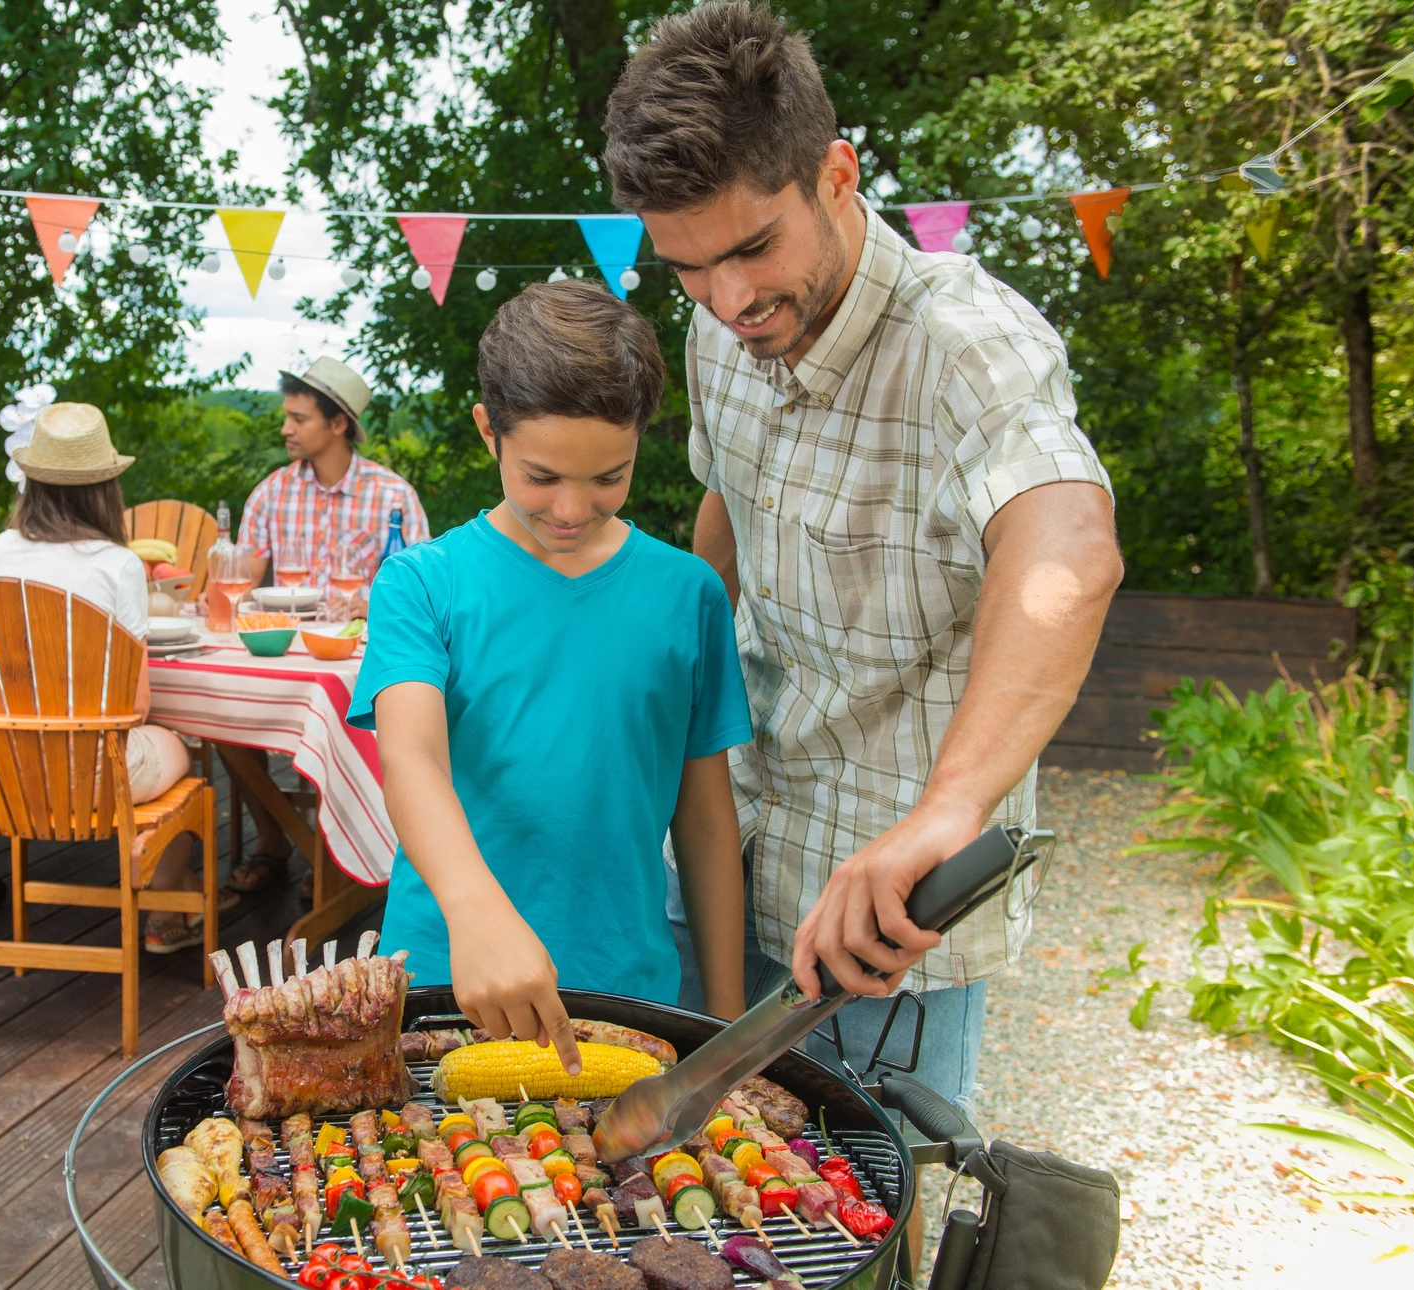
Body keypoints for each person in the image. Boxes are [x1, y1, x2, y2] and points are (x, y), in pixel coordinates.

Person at [602, 1, 1123, 1115]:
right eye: (689, 268)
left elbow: (1069, 548)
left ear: (835, 174)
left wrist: (947, 812)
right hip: (726, 841)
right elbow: (725, 507)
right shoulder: (717, 330)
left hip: (885, 909)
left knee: (861, 1217)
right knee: (682, 1185)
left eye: (752, 247)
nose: (730, 299)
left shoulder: (966, 343)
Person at [348, 281, 754, 1070]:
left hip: (627, 993)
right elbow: (412, 757)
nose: (572, 507)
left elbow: (704, 819)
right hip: (441, 980)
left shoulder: (688, 594)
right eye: (541, 477)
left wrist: (728, 1027)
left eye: (609, 477)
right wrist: (476, 911)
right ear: (487, 433)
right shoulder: (423, 582)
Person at [0, 402, 219, 953]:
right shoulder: (116, 564)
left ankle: (171, 895)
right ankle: (166, 910)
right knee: (192, 754)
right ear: (106, 488)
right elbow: (134, 706)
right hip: (94, 775)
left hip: (1, 766)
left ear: (30, 483)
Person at [231, 357, 430, 896]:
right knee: (230, 724)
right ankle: (274, 845)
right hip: (282, 655)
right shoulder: (272, 491)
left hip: (356, 663)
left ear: (338, 423)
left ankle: (335, 859)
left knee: (345, 717)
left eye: (298, 418)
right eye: (287, 417)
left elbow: (417, 600)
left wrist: (365, 607)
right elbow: (242, 584)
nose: (285, 428)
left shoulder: (393, 497)